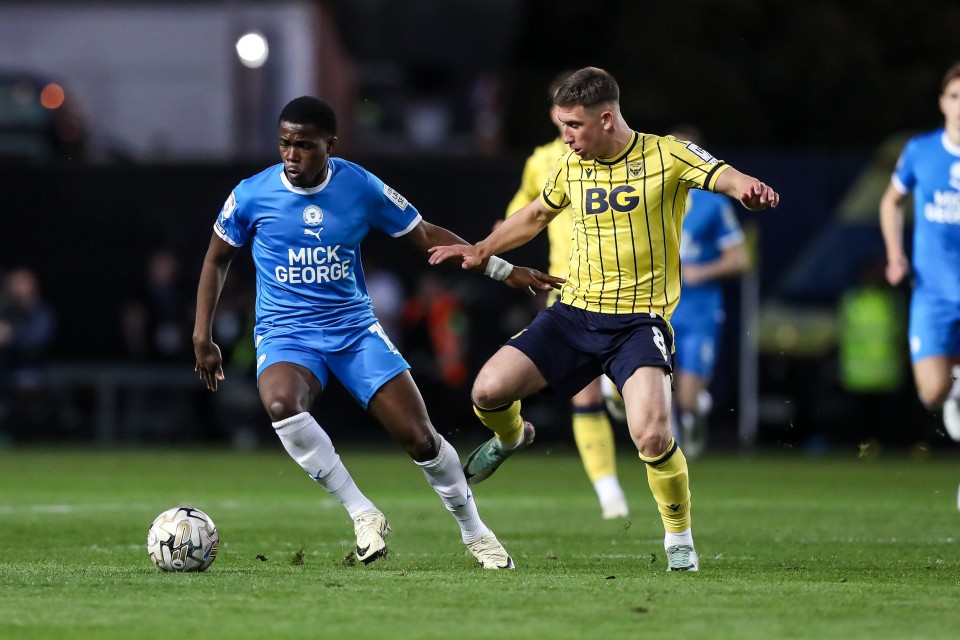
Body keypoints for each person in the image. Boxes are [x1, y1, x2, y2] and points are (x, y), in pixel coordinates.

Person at [429, 67, 780, 571]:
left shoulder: (666, 153)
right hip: (573, 313)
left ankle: (679, 538)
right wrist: (481, 248)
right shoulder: (568, 165)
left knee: (653, 436)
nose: (566, 136)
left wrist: (749, 188)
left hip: (638, 322)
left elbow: (723, 173)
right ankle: (512, 436)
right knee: (487, 391)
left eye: (573, 125)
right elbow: (534, 216)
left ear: (607, 119)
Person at [192, 96, 563, 569]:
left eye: (304, 146)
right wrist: (202, 335)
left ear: (331, 145)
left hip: (353, 331)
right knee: (282, 404)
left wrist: (502, 268)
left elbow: (425, 235)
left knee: (420, 439)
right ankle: (363, 513)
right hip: (287, 333)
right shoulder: (251, 194)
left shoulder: (359, 186)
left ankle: (476, 533)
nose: (291, 155)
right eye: (284, 144)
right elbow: (216, 259)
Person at [503, 70, 628, 519]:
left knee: (628, 389)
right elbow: (522, 215)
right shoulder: (543, 162)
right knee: (584, 394)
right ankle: (609, 491)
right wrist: (493, 247)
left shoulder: (622, 155)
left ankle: (623, 389)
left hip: (624, 288)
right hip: (569, 287)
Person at [879, 61, 960, 444]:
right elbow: (891, 202)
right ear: (942, 102)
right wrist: (896, 254)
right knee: (932, 393)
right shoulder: (921, 151)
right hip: (933, 293)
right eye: (954, 97)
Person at [661, 125, 749, 458]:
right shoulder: (652, 195)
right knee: (655, 387)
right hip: (660, 308)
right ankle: (670, 449)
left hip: (699, 309)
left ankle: (694, 410)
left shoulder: (712, 203)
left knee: (686, 396)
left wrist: (702, 271)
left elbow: (740, 258)